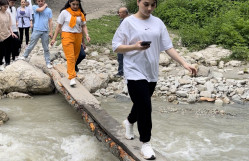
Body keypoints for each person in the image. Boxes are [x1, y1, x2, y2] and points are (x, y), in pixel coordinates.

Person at [112, 0, 197, 160]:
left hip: (151, 73)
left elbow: (168, 47)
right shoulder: (128, 22)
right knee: (145, 105)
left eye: (153, 4)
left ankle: (129, 122)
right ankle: (146, 143)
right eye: (146, 4)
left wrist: (184, 63)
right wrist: (134, 47)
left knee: (141, 104)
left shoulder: (158, 23)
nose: (149, 8)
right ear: (138, 2)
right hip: (134, 71)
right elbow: (116, 46)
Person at [51, 0, 90, 87]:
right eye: (73, 4)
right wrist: (54, 38)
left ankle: (71, 71)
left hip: (78, 36)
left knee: (75, 56)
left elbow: (83, 25)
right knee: (71, 57)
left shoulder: (81, 14)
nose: (75, 6)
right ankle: (72, 77)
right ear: (69, 3)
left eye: (77, 4)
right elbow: (58, 26)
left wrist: (87, 35)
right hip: (67, 35)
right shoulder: (64, 13)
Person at [18, 0, 53, 69]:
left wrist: (51, 31)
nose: (40, 2)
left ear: (44, 1)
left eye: (42, 1)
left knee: (46, 48)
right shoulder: (34, 7)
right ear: (37, 2)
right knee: (31, 44)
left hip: (45, 31)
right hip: (36, 30)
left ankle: (48, 62)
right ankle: (25, 56)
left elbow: (50, 21)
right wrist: (45, 5)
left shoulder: (49, 10)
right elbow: (40, 10)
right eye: (39, 1)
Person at [0, 0, 18, 71]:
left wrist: (12, 32)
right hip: (0, 35)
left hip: (7, 34)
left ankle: (8, 63)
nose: (6, 8)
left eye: (7, 6)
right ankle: (0, 64)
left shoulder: (7, 13)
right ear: (0, 6)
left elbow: (9, 25)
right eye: (5, 6)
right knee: (1, 51)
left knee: (8, 49)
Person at [114, 7, 129, 77]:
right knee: (120, 58)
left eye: (120, 12)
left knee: (124, 57)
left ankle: (122, 72)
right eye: (118, 12)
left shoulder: (129, 21)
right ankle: (121, 72)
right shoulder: (121, 21)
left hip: (127, 43)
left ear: (125, 13)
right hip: (121, 43)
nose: (118, 14)